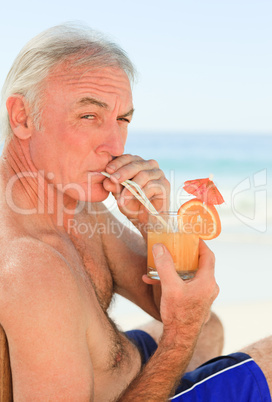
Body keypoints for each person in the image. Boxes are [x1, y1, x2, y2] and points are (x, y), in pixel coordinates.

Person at [0, 23, 270, 401]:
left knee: (210, 327)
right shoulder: (30, 266)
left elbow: (167, 303)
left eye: (123, 119)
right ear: (23, 118)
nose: (113, 146)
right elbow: (179, 324)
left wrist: (151, 221)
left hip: (125, 374)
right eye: (89, 117)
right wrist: (179, 339)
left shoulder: (78, 207)